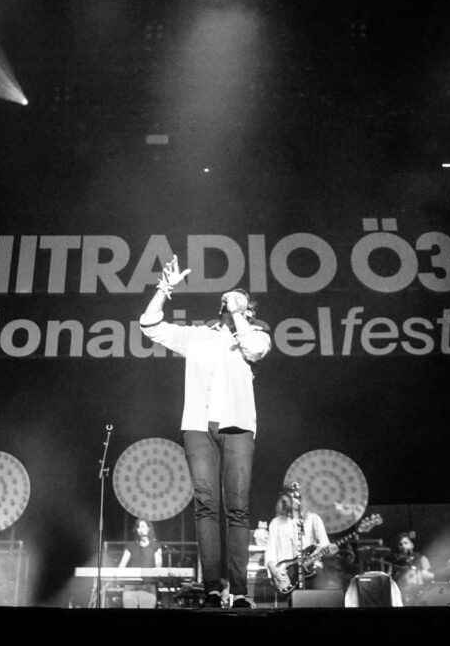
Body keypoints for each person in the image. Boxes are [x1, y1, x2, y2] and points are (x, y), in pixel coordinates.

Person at [138, 255, 272, 608]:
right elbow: (149, 325)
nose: (230, 301)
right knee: (205, 506)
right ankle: (212, 588)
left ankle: (240, 592)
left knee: (238, 508)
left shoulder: (256, 335)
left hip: (237, 426)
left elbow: (255, 351)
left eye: (239, 300)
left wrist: (239, 313)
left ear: (248, 310)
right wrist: (164, 289)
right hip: (198, 426)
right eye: (227, 300)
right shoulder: (198, 336)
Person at [263, 483, 333, 599]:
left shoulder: (314, 519)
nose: (289, 500)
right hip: (287, 575)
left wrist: (318, 553)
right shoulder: (276, 523)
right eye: (286, 497)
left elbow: (325, 545)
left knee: (318, 602)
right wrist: (274, 570)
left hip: (312, 570)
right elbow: (270, 552)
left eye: (294, 497)